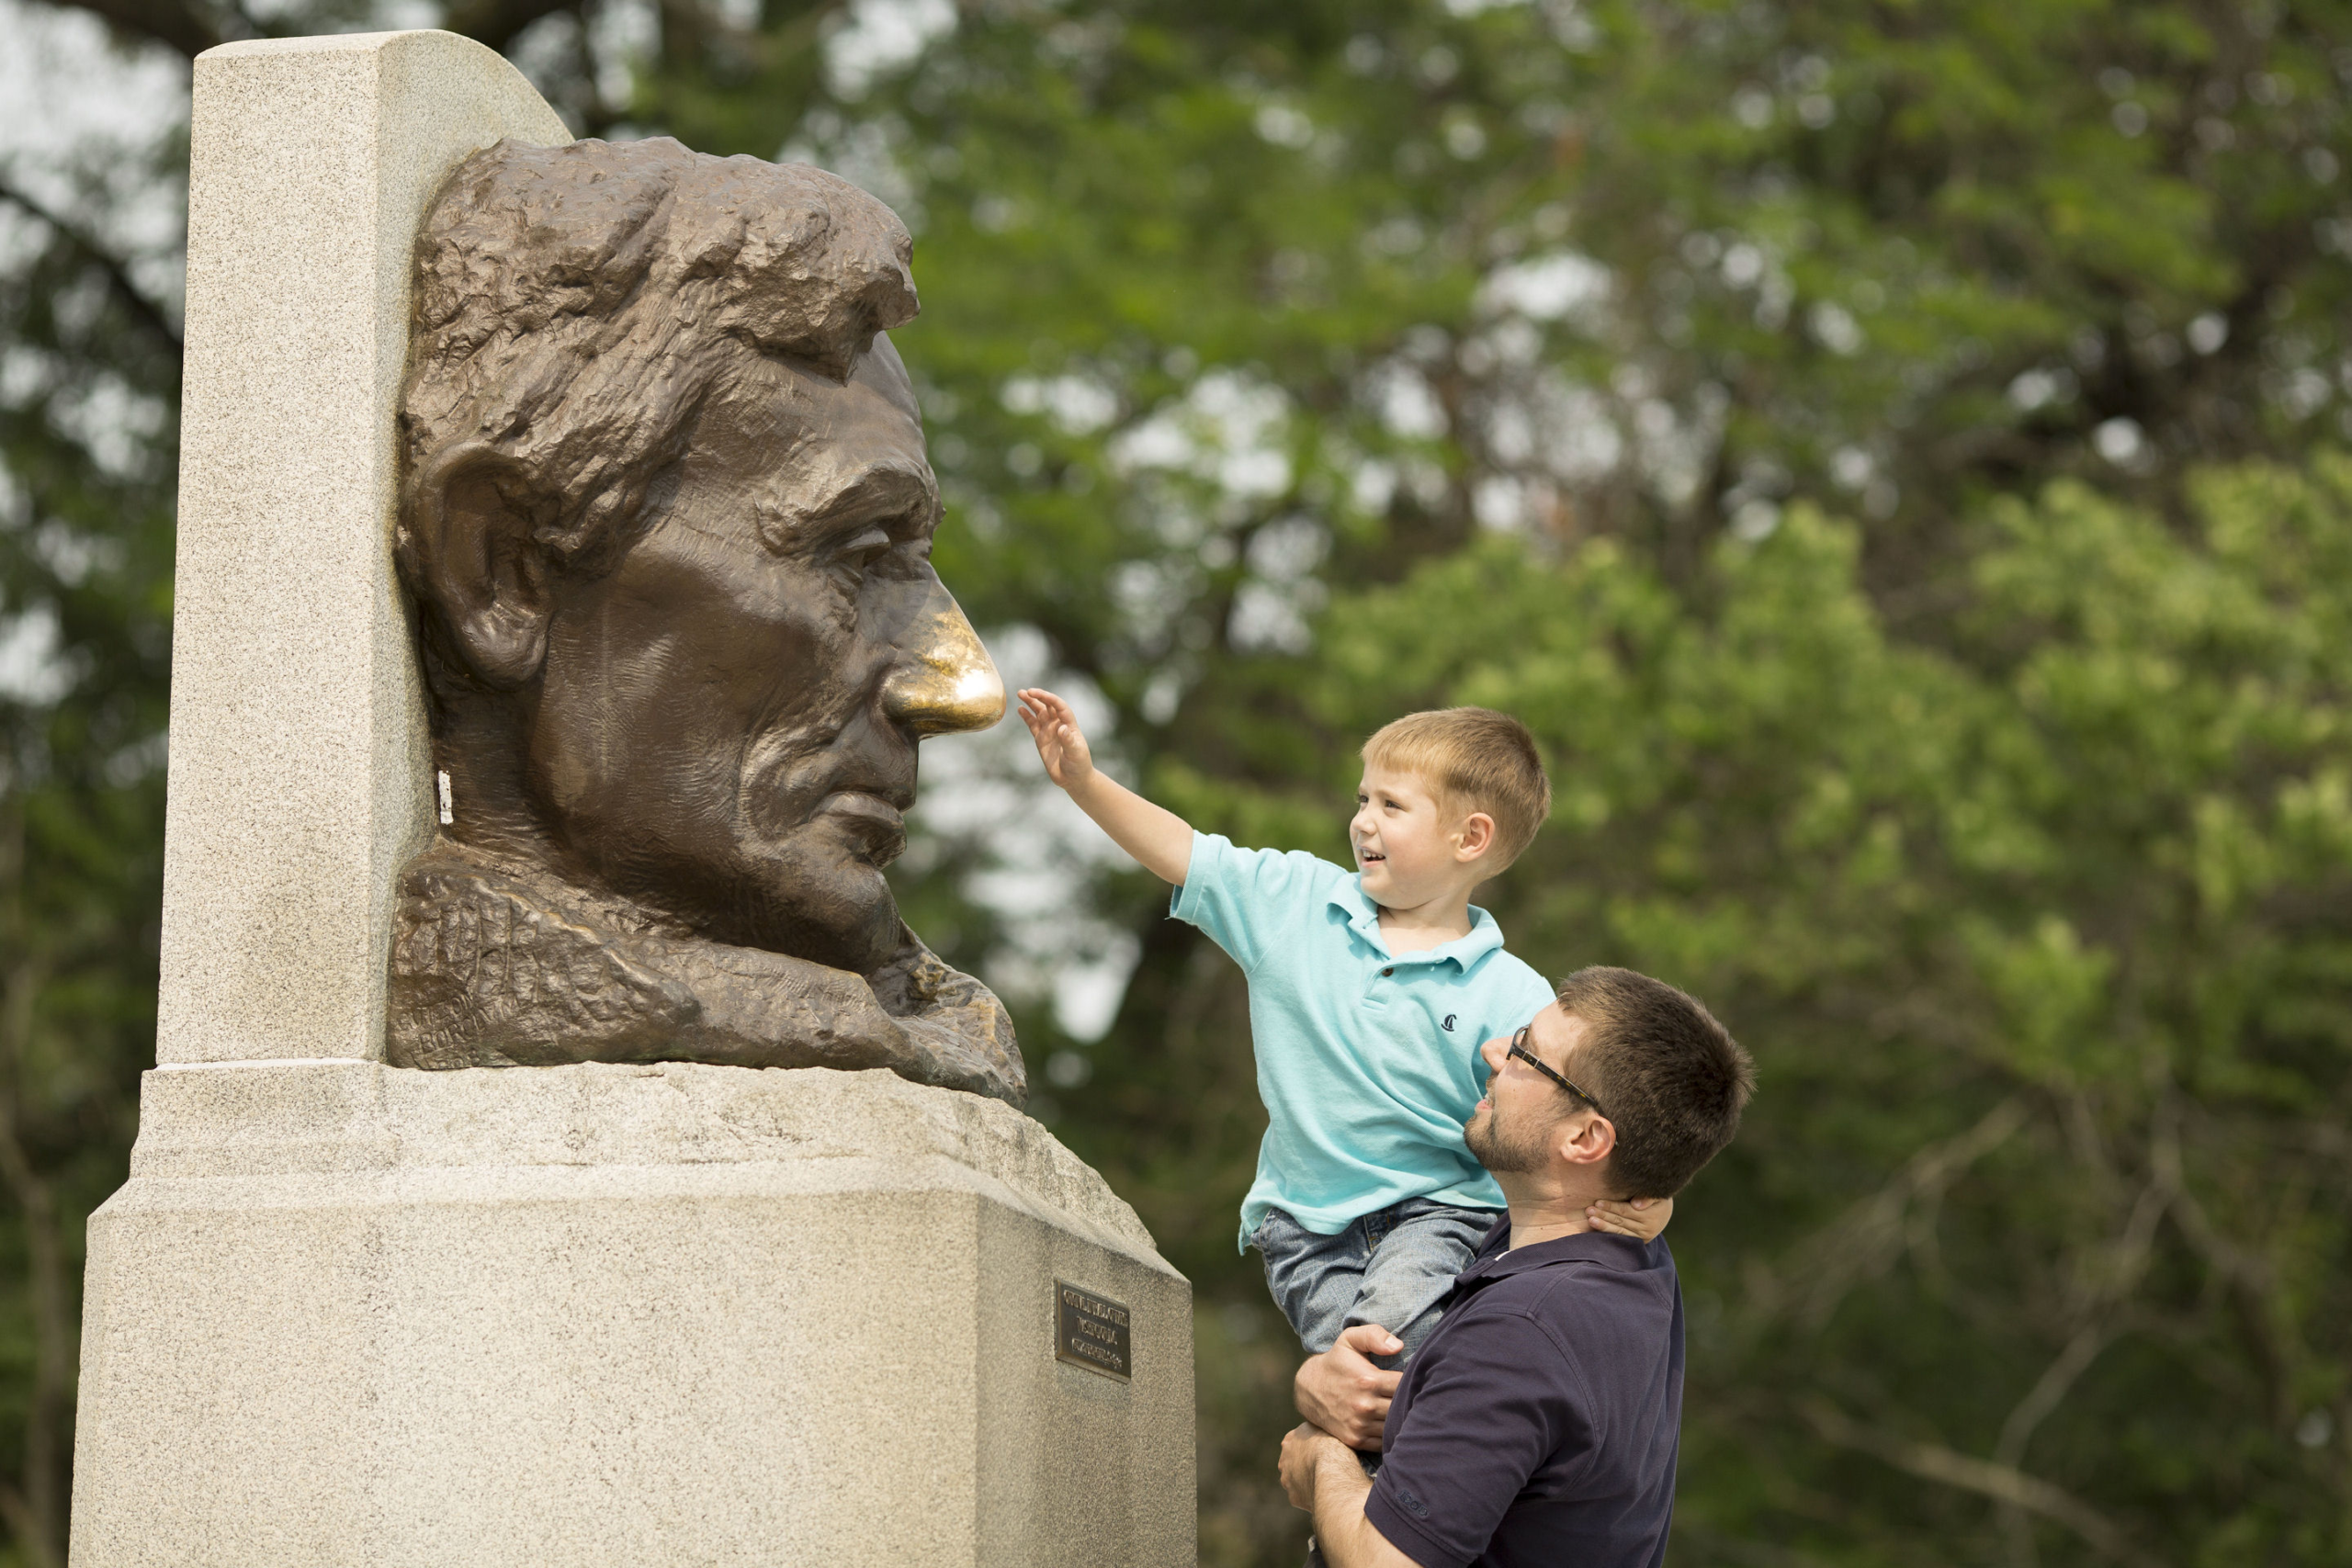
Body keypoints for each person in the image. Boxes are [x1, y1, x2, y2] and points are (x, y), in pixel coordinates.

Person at [385, 136, 1023, 1103]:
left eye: (913, 566)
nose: (964, 687)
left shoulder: (921, 1020)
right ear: (501, 571)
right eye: (854, 556)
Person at [1017, 692, 1666, 1364]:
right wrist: (1084, 782)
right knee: (1355, 1384)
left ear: (1470, 837)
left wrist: (1650, 1201)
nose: (1363, 822)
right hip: (1303, 1227)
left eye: (1392, 806)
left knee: (1387, 1357)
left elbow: (1577, 1117)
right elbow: (1185, 852)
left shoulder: (1514, 994)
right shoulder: (1295, 901)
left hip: (1437, 1216)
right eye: (1363, 799)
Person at [1281, 967, 1755, 1568]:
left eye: (1526, 1049)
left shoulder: (1522, 1328)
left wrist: (1322, 1460)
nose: (1495, 1049)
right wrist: (1324, 1385)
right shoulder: (1635, 1260)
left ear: (1585, 1138)